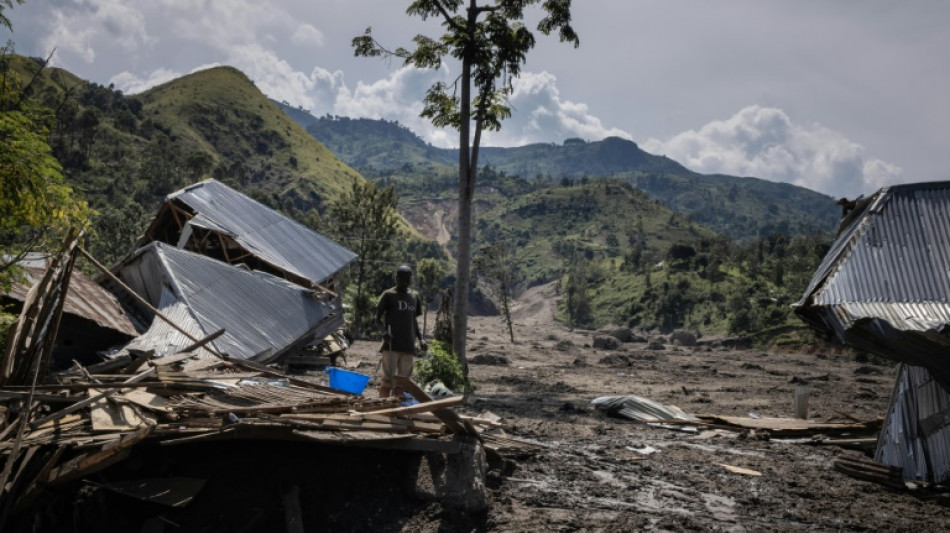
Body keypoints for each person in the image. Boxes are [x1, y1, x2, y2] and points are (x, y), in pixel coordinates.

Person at [375, 264, 427, 398]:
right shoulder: (388, 295)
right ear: (396, 278)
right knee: (388, 380)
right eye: (402, 279)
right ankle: (382, 408)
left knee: (403, 382)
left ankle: (398, 410)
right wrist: (384, 332)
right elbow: (377, 318)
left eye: (407, 280)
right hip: (391, 344)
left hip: (408, 345)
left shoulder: (414, 296)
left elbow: (413, 321)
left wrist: (420, 339)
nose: (404, 282)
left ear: (411, 280)